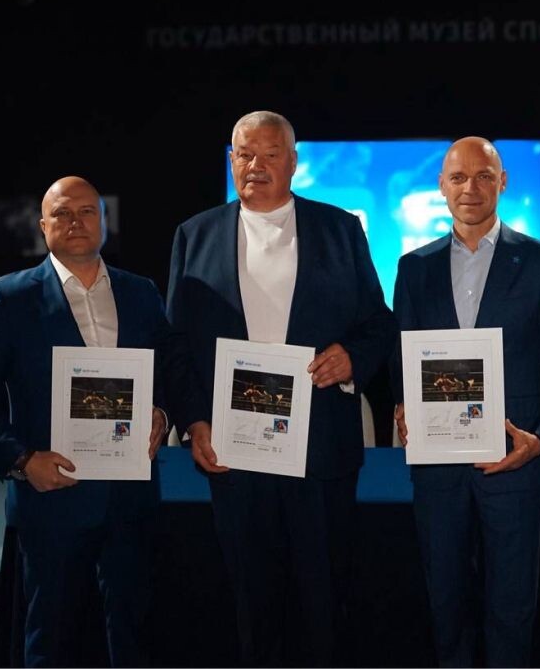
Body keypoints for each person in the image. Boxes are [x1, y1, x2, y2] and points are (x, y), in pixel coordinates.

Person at [166, 110, 396, 665]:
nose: (257, 166)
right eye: (245, 154)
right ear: (231, 161)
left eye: (270, 155)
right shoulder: (194, 235)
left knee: (324, 602)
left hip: (321, 450)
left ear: (294, 162)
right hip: (235, 450)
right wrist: (194, 419)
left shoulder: (340, 229)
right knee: (251, 602)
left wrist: (352, 358)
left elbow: (378, 323)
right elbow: (175, 346)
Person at [0, 176, 204, 667]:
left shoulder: (140, 293)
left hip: (130, 497)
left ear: (103, 221)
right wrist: (22, 460)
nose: (75, 222)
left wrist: (161, 413)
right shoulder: (7, 299)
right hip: (52, 498)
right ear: (43, 225)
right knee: (51, 636)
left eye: (87, 211)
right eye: (62, 213)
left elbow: (168, 369)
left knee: (133, 631)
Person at [391, 137, 540, 667]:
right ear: (441, 186)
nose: (469, 188)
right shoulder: (414, 268)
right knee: (445, 603)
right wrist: (405, 405)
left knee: (512, 607)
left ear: (503, 182)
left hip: (514, 463)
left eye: (483, 176)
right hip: (437, 468)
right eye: (458, 177)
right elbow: (402, 356)